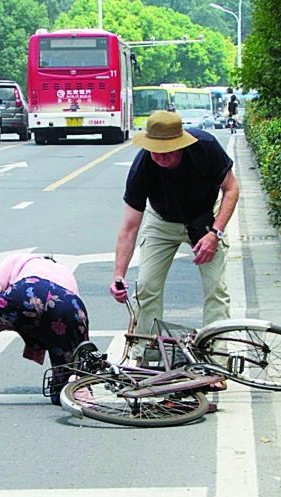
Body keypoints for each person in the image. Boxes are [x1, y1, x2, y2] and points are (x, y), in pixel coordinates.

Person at [109, 110, 239, 370]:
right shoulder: (144, 164)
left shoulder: (206, 148)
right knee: (146, 286)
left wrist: (216, 233)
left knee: (216, 289)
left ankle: (216, 359)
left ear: (181, 144)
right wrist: (118, 274)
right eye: (155, 150)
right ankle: (146, 352)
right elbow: (130, 227)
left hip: (204, 221)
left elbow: (231, 189)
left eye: (167, 150)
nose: (160, 156)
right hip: (162, 222)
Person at [0, 253, 89, 405]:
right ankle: (75, 386)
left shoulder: (19, 259)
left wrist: (10, 320)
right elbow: (63, 325)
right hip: (70, 303)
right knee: (61, 392)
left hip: (30, 288)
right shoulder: (65, 271)